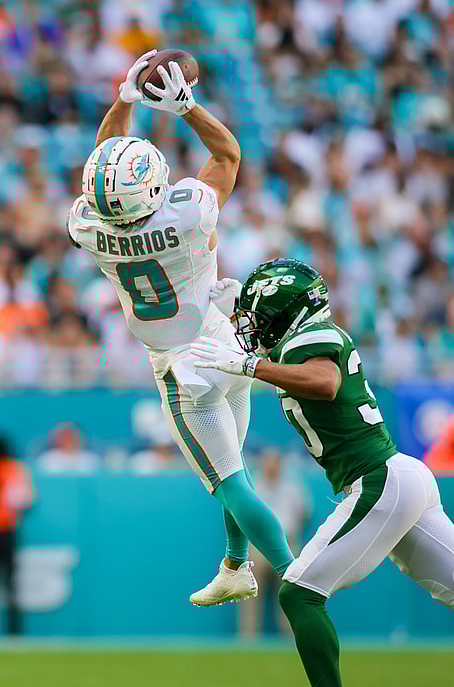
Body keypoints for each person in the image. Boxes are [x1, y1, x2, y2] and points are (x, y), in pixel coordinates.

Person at [191, 258, 454, 687]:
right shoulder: (303, 334)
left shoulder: (309, 338)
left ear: (282, 309)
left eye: (257, 313)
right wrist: (228, 308)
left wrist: (253, 366)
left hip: (377, 479)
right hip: (400, 474)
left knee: (297, 593)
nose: (252, 326)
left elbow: (325, 382)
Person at [67, 50, 293, 606]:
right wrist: (186, 107)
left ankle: (298, 575)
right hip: (228, 342)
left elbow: (102, 155)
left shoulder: (89, 229)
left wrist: (123, 99)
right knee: (233, 469)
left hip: (182, 371)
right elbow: (228, 154)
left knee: (231, 482)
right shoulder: (190, 210)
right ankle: (237, 565)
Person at [241, 447, 311, 637]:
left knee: (290, 592)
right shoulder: (253, 485)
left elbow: (305, 514)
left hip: (288, 543)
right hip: (259, 545)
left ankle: (291, 637)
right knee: (250, 591)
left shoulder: (293, 486)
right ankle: (249, 637)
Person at [0, 437, 33, 635]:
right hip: (6, 531)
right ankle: (15, 632)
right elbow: (25, 502)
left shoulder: (13, 470)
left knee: (12, 584)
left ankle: (15, 631)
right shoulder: (14, 469)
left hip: (6, 530)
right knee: (11, 584)